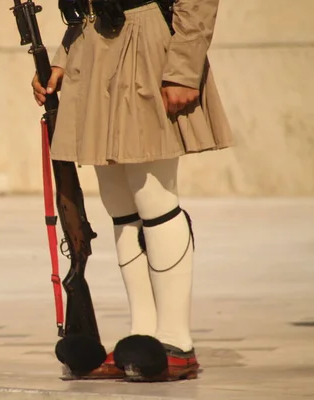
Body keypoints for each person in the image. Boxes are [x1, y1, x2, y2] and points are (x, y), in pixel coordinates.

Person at [32, 0, 233, 382]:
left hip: (145, 46)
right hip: (91, 47)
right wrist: (63, 57)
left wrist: (184, 69)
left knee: (154, 200)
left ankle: (175, 340)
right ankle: (141, 338)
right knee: (120, 206)